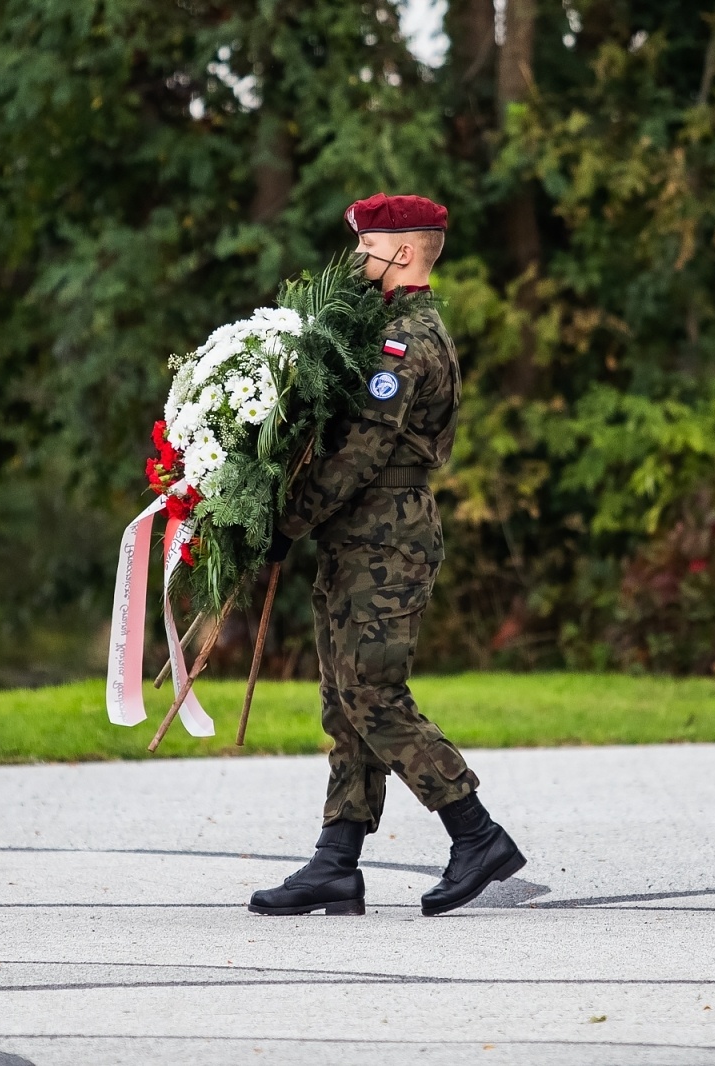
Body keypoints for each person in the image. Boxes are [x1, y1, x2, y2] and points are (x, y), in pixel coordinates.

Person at [248, 193, 526, 918]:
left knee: (373, 692)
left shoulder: (405, 341)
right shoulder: (382, 330)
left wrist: (294, 518)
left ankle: (476, 831)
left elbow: (365, 449)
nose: (356, 260)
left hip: (386, 534)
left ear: (401, 252)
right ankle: (336, 860)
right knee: (343, 697)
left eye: (366, 247)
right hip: (358, 535)